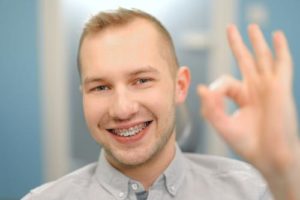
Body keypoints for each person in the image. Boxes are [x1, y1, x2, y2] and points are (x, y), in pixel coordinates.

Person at [22, 8, 300, 200]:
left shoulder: (252, 191)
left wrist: (287, 172)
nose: (122, 109)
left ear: (179, 86)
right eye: (101, 87)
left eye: (141, 80)